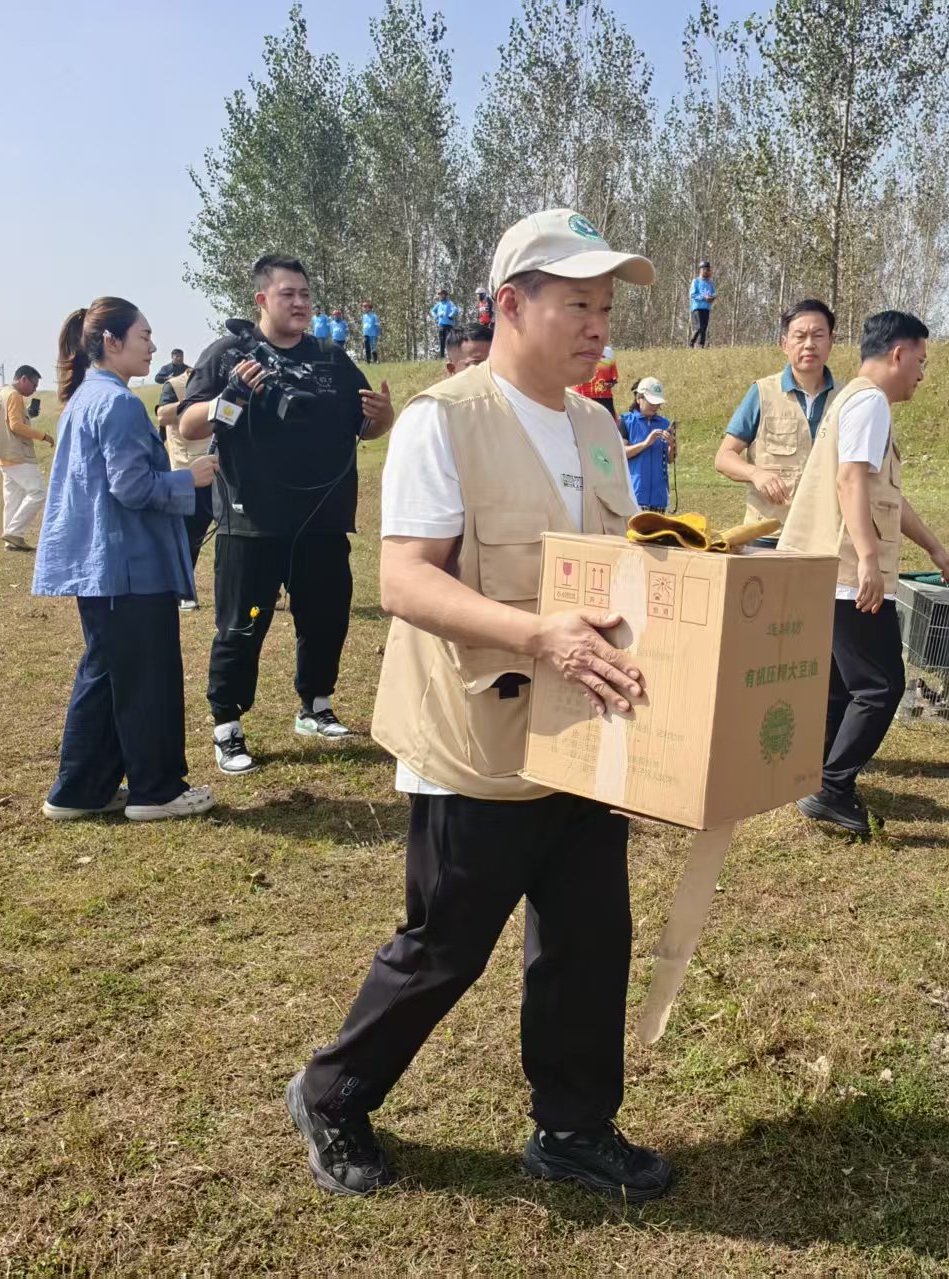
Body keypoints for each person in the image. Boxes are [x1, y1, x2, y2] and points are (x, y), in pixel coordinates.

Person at [286, 207, 673, 1203]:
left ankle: (573, 1127)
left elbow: (621, 564)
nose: (598, 325)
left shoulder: (597, 424)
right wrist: (538, 634)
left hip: (581, 729)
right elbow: (406, 581)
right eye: (577, 304)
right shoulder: (444, 420)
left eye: (605, 306)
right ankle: (333, 1095)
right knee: (445, 948)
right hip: (474, 738)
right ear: (510, 303)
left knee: (588, 939)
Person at [178, 255, 395, 774]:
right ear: (262, 300)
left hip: (323, 519)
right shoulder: (230, 353)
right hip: (252, 519)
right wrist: (230, 395)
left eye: (305, 294)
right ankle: (228, 726)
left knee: (326, 618)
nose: (300, 303)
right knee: (243, 625)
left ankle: (315, 706)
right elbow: (189, 425)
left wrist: (383, 418)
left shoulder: (332, 358)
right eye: (287, 294)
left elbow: (364, 426)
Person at [32, 298, 218, 823]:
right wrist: (189, 479)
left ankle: (79, 791)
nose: (153, 346)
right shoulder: (117, 403)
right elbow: (132, 487)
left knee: (107, 675)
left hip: (102, 568)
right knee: (147, 680)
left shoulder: (85, 398)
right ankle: (156, 791)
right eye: (144, 335)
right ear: (111, 342)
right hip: (129, 567)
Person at [777, 310, 949, 835]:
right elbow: (851, 481)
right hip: (845, 574)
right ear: (898, 354)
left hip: (828, 570)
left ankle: (815, 777)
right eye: (920, 361)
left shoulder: (852, 400)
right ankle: (832, 788)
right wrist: (868, 561)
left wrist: (935, 548)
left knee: (841, 686)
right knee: (880, 686)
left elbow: (885, 496)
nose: (921, 374)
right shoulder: (870, 402)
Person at [715, 298, 837, 538]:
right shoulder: (762, 393)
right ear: (784, 344)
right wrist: (755, 474)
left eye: (818, 336)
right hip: (768, 536)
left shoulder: (846, 399)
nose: (809, 344)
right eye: (800, 336)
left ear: (831, 342)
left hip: (826, 537)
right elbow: (724, 457)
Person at [154, 362, 212, 603]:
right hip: (189, 472)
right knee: (189, 536)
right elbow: (162, 415)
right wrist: (195, 405)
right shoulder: (175, 385)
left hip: (220, 470)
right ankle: (183, 592)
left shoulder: (218, 384)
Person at [0, 365, 53, 550]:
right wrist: (43, 436)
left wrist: (27, 415)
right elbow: (15, 426)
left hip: (4, 454)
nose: (34, 389)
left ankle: (11, 540)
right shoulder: (14, 395)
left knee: (13, 499)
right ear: (24, 379)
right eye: (34, 384)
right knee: (38, 492)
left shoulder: (3, 392)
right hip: (17, 454)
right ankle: (14, 533)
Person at [620, 377, 673, 512]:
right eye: (651, 402)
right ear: (639, 399)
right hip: (635, 495)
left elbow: (670, 459)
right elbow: (621, 453)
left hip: (659, 496)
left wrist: (671, 445)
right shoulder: (625, 421)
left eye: (657, 403)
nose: (655, 407)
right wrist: (646, 443)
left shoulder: (665, 424)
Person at [571, 345, 618, 417]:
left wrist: (609, 384)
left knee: (607, 422)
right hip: (581, 396)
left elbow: (613, 378)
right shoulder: (576, 348)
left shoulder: (608, 351)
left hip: (603, 397)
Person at [688, 261, 716, 348]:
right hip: (697, 307)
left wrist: (712, 297)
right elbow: (692, 295)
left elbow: (714, 292)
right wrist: (704, 298)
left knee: (704, 327)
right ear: (701, 270)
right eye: (705, 270)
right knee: (699, 327)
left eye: (708, 270)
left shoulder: (710, 283)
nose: (707, 272)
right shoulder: (696, 281)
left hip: (706, 308)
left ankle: (701, 345)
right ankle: (691, 342)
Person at [430, 288, 460, 359]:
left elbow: (455, 310)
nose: (440, 296)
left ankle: (451, 357)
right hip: (441, 326)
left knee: (449, 341)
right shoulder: (439, 304)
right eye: (439, 295)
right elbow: (432, 311)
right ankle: (442, 357)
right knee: (441, 341)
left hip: (449, 326)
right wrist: (436, 316)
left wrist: (450, 315)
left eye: (442, 294)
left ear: (445, 295)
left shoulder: (449, 303)